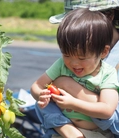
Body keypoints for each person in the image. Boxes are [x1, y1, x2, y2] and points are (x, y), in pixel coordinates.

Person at [31, 8, 119, 138]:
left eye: (82, 58)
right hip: (65, 128)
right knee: (41, 105)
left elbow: (107, 110)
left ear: (103, 52)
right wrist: (41, 94)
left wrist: (72, 104)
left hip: (97, 133)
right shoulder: (61, 64)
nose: (73, 63)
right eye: (66, 55)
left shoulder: (107, 73)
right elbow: (36, 86)